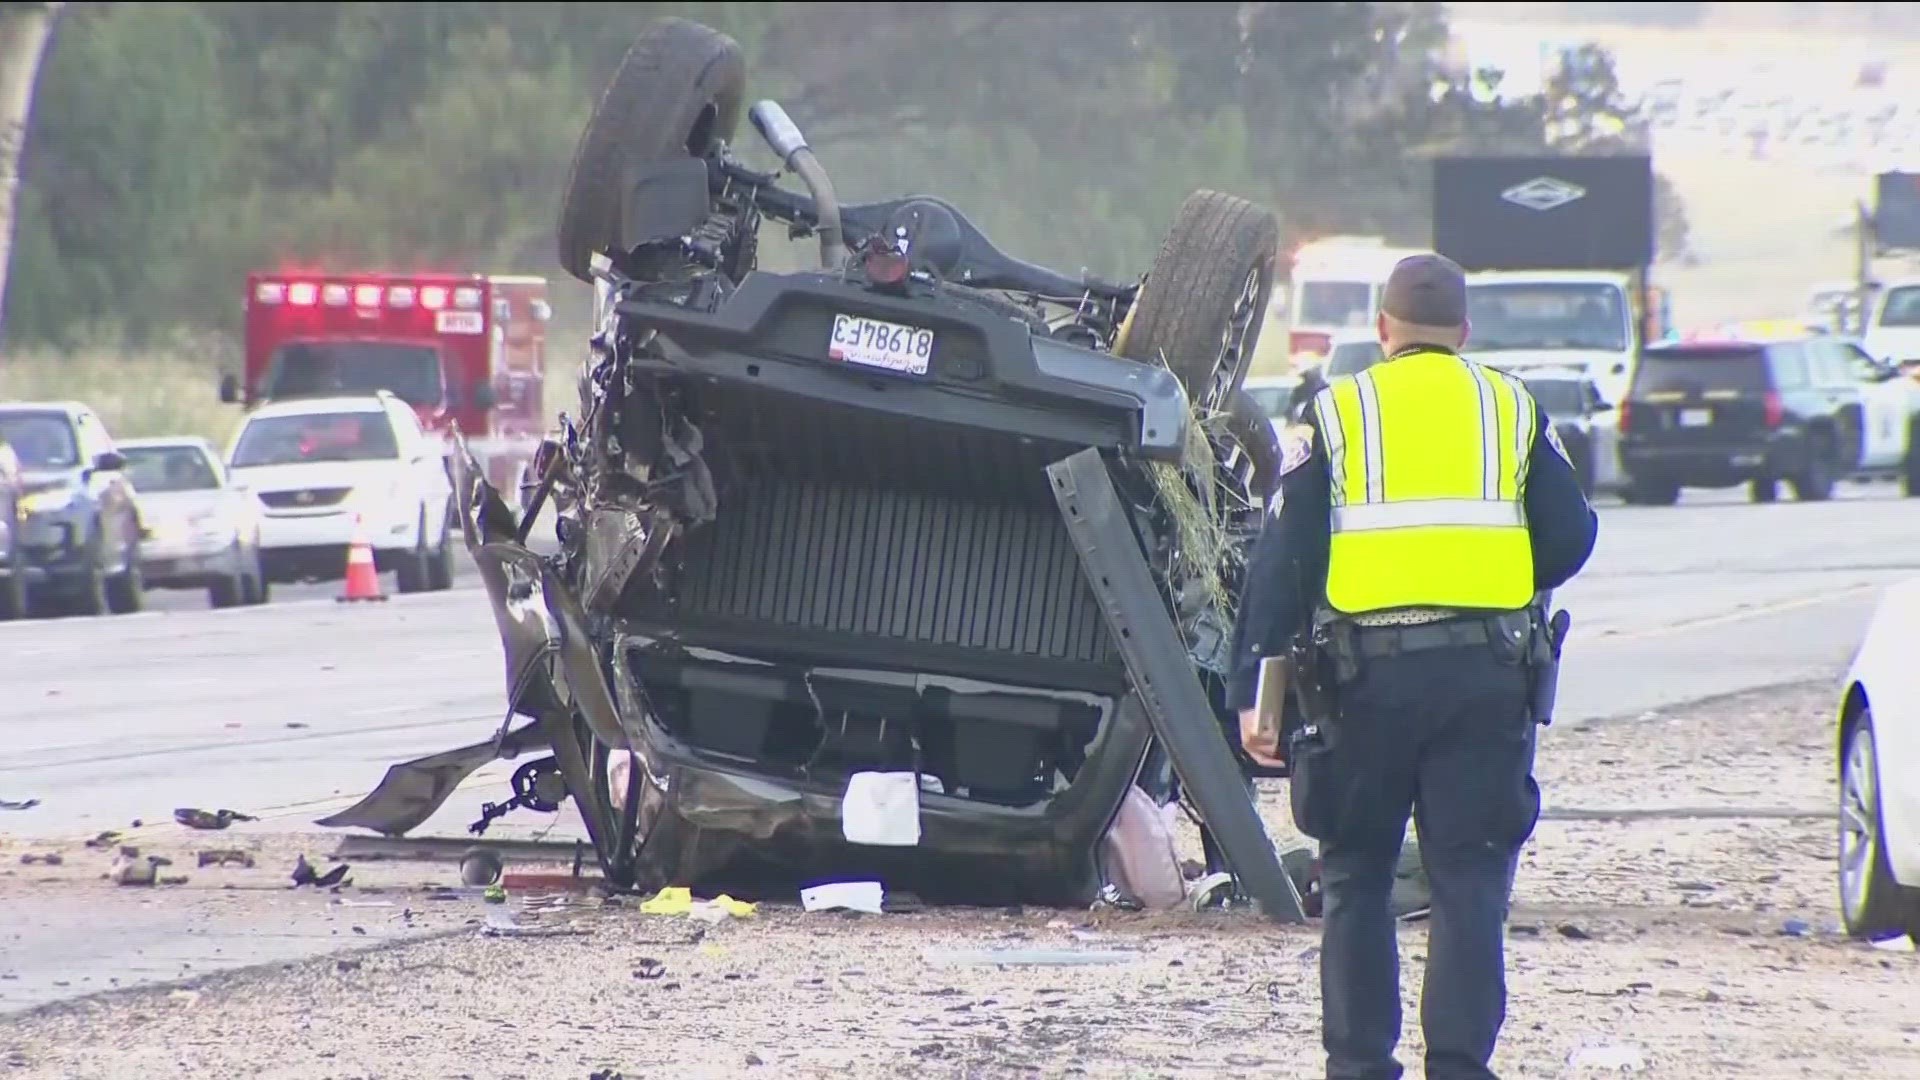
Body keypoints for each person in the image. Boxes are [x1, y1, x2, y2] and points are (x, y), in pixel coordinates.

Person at [1226, 252, 1598, 1080]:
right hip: (1484, 679)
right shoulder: (1510, 408)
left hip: (1362, 687)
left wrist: (1255, 696)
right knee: (1470, 876)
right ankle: (1460, 1066)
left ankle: (1360, 1065)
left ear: (1383, 329)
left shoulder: (1336, 412)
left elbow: (1283, 559)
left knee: (1357, 873)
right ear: (1464, 333)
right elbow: (1571, 538)